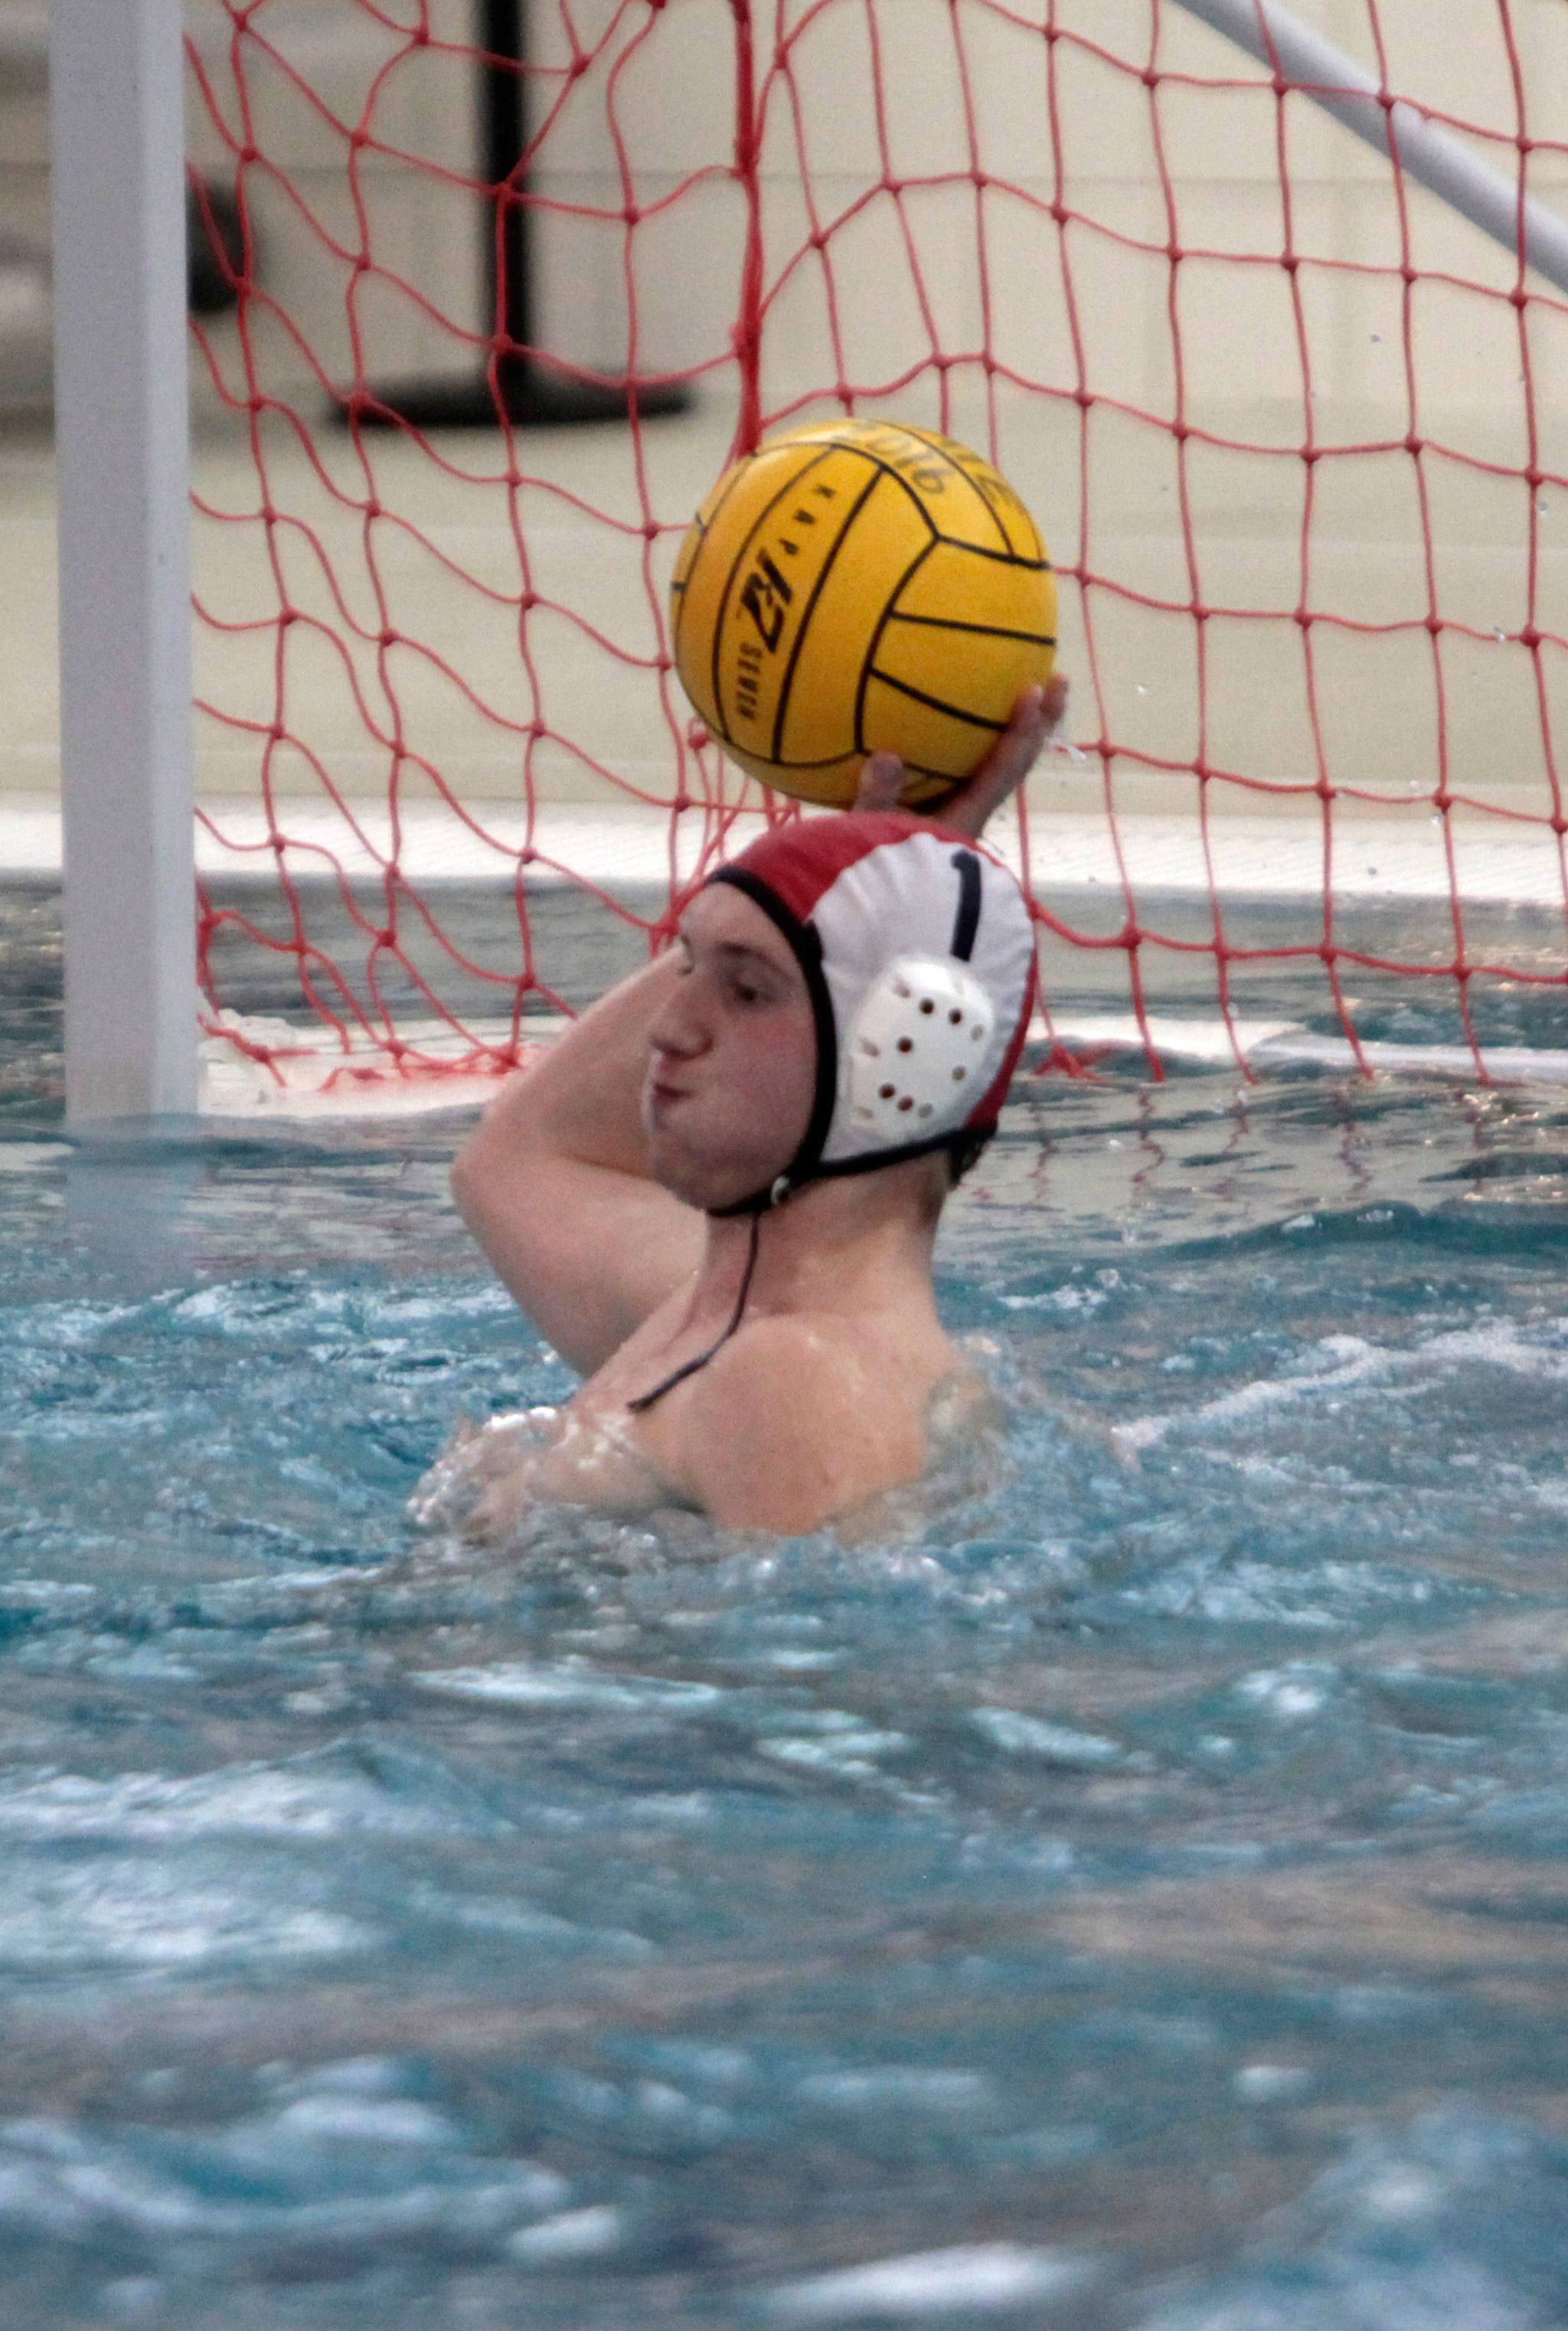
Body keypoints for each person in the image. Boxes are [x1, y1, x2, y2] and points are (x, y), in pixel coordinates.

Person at [436, 678, 1067, 1539]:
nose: (669, 1027)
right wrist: (885, 867)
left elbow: (825, 1665)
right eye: (688, 963)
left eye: (745, 988)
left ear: (906, 1051)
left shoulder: (789, 1377)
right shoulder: (714, 1301)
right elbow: (513, 1159)